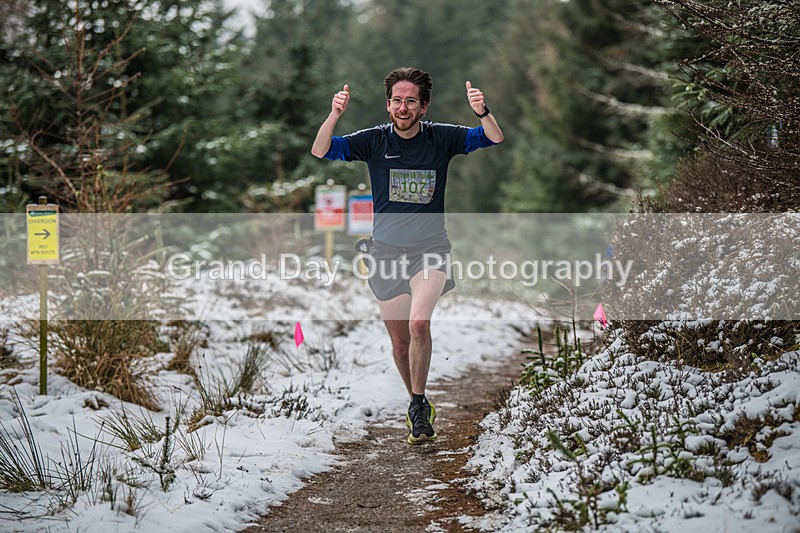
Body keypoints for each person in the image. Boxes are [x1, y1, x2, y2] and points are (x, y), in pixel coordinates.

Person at [311, 67, 503, 444]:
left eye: (410, 100)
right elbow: (320, 149)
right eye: (397, 100)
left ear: (423, 106)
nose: (403, 106)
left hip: (430, 252)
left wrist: (482, 112)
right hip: (384, 255)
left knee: (419, 325)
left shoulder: (442, 138)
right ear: (388, 105)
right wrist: (334, 114)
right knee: (400, 344)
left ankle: (417, 405)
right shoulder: (373, 141)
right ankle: (418, 397)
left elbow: (494, 138)